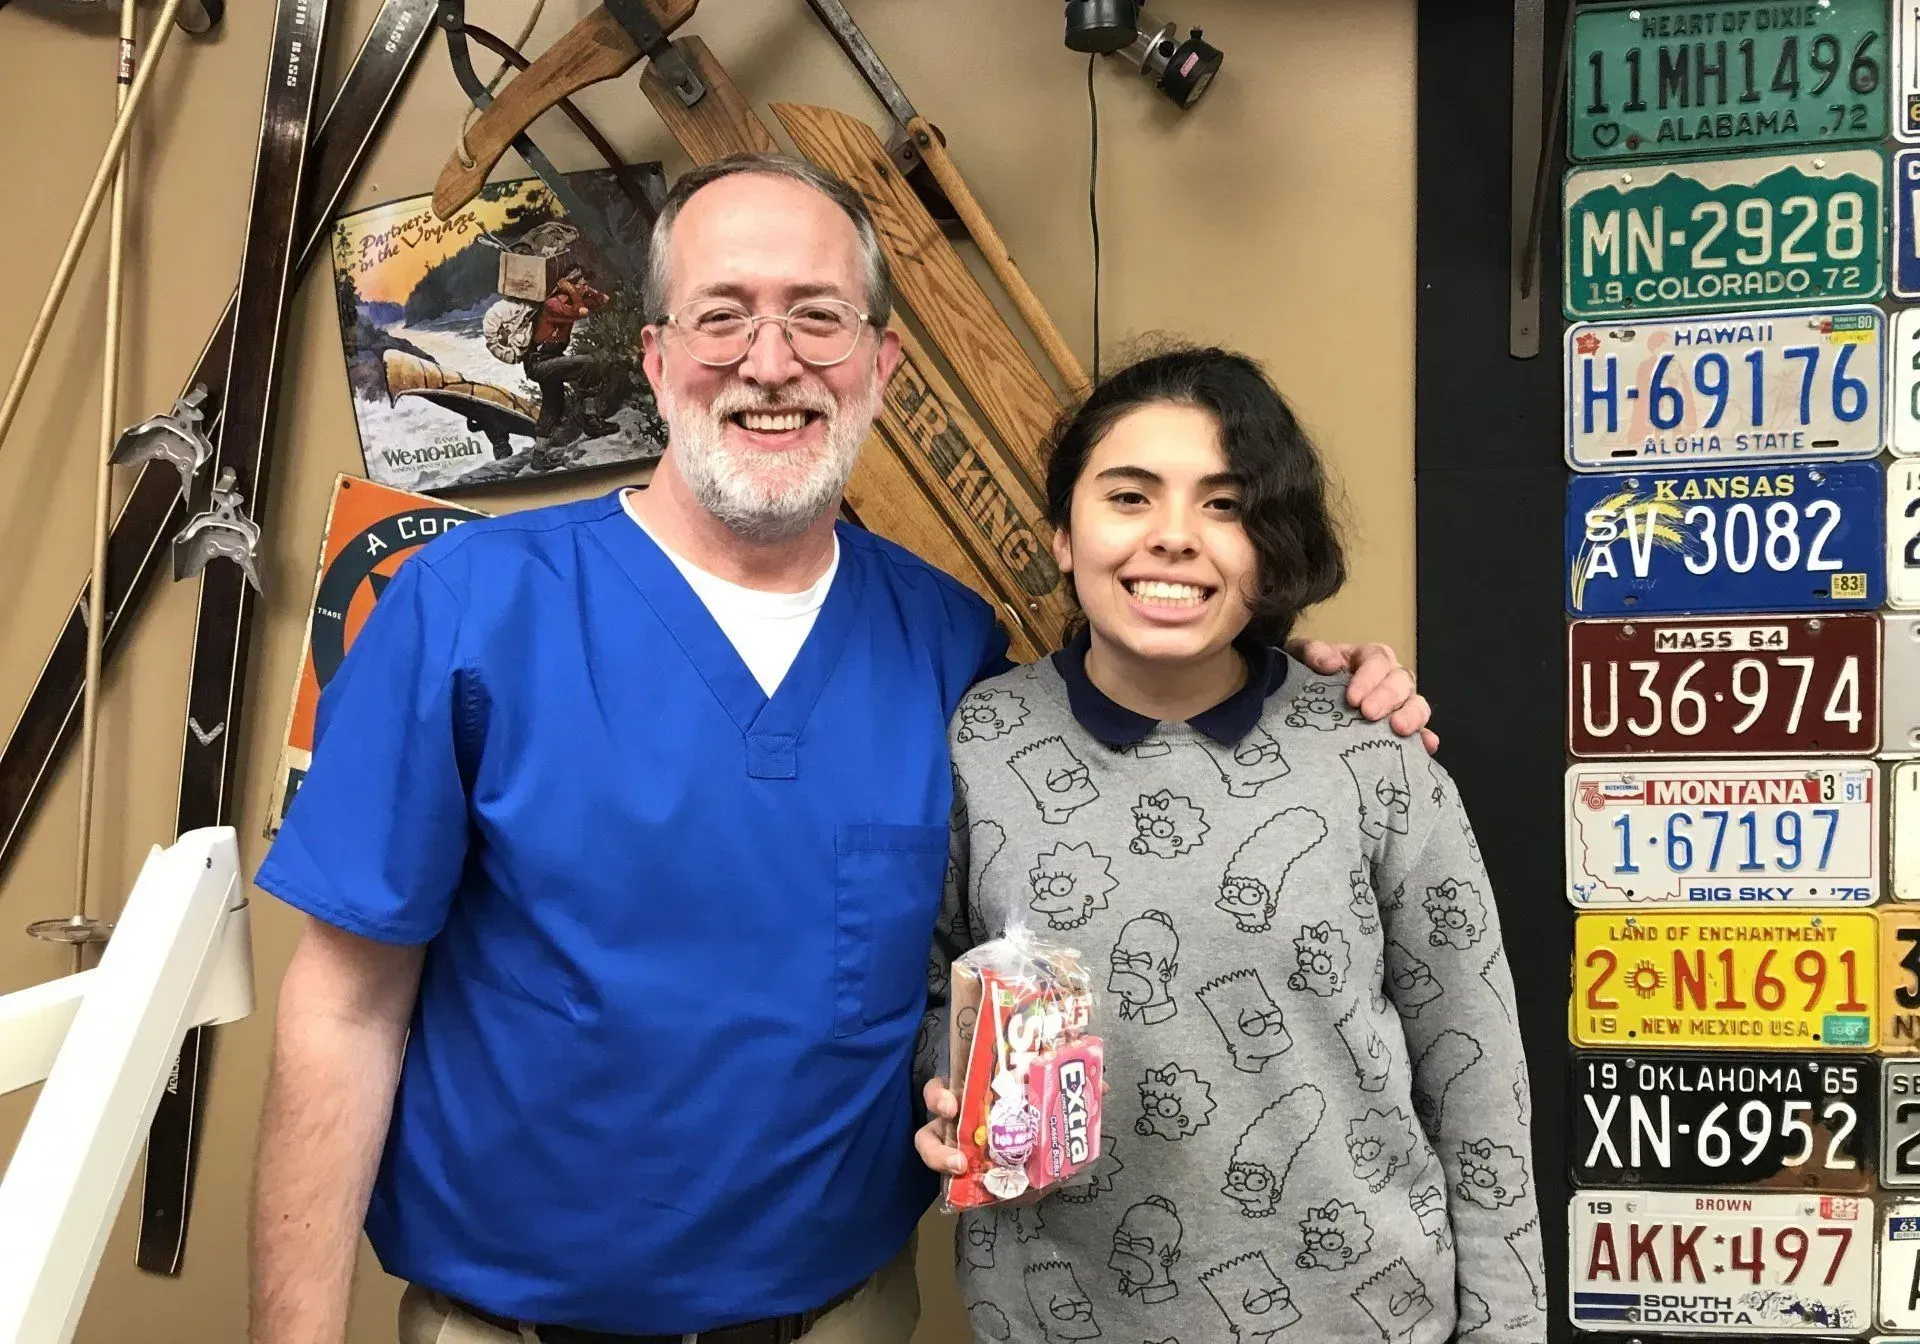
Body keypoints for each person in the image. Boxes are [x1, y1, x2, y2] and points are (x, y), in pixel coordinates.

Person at [247, 154, 1434, 1344]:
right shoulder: (462, 608)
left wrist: (1303, 686)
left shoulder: (951, 647)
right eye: (724, 316)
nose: (772, 362)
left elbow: (1128, 769)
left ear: (880, 364)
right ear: (656, 361)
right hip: (513, 1325)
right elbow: (344, 1009)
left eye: (818, 318)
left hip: (850, 1317)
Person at [916, 347, 1543, 1344]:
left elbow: (1479, 1075)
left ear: (1273, 545)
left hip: (1363, 1315)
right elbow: (924, 985)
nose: (1174, 539)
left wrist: (1507, 1330)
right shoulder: (976, 744)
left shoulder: (1372, 750)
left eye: (1225, 504)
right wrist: (939, 1084)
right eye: (1129, 496)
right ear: (1062, 536)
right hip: (1058, 1315)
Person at [527, 265, 613, 441]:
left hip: (552, 359)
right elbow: (581, 312)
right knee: (589, 363)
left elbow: (604, 299)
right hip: (539, 362)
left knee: (553, 405)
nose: (586, 288)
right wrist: (574, 291)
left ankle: (539, 455)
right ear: (570, 286)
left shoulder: (573, 300)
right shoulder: (553, 304)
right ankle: (589, 419)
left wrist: (583, 291)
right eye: (583, 284)